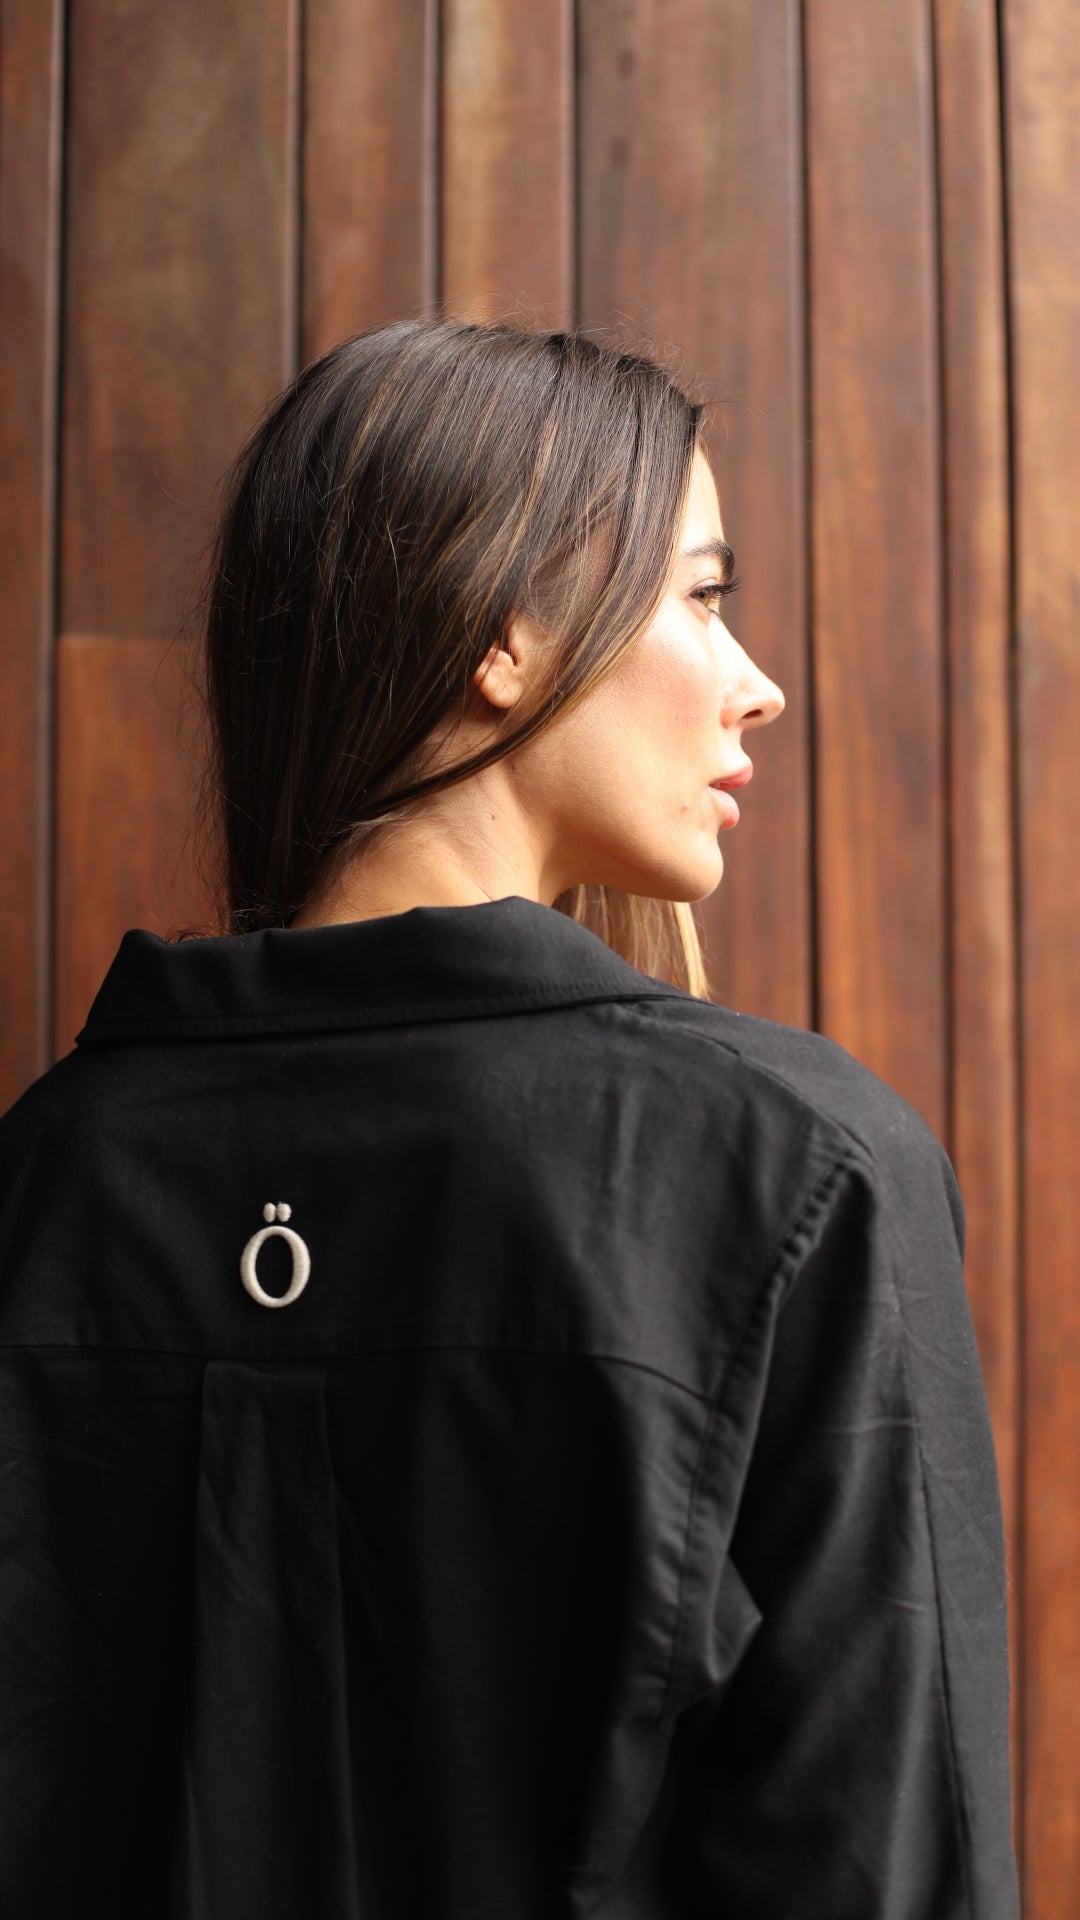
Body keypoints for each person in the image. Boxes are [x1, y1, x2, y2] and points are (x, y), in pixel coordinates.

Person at [0, 318, 1019, 1919]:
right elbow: (890, 1863)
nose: (755, 686)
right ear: (506, 634)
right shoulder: (804, 1175)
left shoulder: (44, 1176)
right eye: (703, 596)